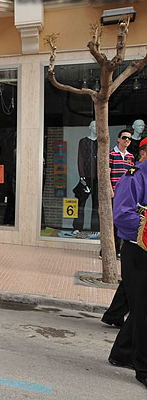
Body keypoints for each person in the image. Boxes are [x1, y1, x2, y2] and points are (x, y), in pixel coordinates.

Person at [108, 136, 147, 390]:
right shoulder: (135, 176)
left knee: (142, 307)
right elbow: (122, 214)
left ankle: (121, 353)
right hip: (137, 250)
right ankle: (143, 367)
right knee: (144, 309)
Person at [101, 136, 145, 328]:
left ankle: (114, 317)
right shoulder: (134, 175)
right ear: (143, 153)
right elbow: (122, 215)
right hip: (136, 245)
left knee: (133, 291)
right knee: (139, 305)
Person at [109, 129, 135, 257]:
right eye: (124, 137)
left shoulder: (131, 157)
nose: (127, 140)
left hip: (126, 195)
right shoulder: (111, 154)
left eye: (129, 139)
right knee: (112, 222)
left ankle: (119, 249)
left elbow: (131, 176)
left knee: (122, 221)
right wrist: (110, 190)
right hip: (114, 193)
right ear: (118, 139)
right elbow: (107, 174)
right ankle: (109, 250)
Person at [73, 121, 99, 232]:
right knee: (81, 204)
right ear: (89, 127)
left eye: (97, 126)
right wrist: (82, 176)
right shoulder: (83, 141)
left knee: (96, 205)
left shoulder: (101, 142)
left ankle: (95, 228)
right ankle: (77, 227)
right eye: (93, 126)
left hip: (98, 178)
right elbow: (80, 159)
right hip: (86, 178)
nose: (95, 128)